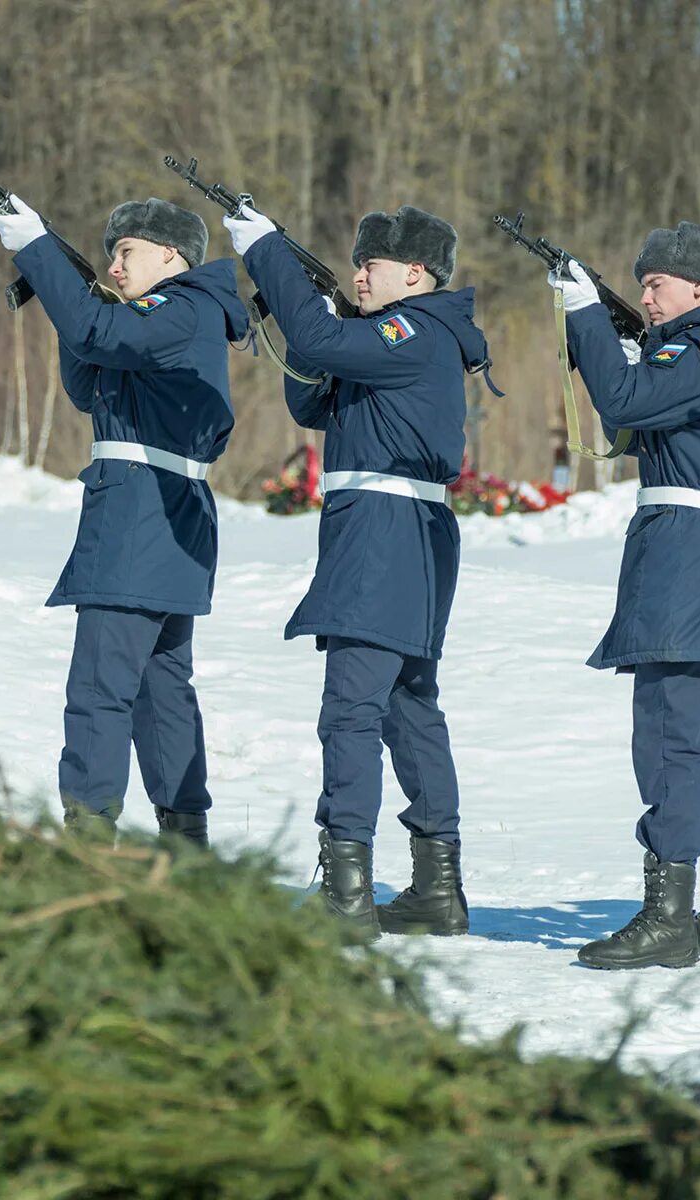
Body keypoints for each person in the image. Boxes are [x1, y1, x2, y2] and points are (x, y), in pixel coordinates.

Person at [225, 202, 490, 943]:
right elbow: (314, 394)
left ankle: (346, 890)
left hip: (385, 532)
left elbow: (318, 339)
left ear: (415, 273)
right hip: (394, 532)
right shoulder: (394, 336)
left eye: (368, 266)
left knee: (350, 708)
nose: (356, 275)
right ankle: (437, 888)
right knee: (408, 706)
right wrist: (315, 316)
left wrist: (269, 255)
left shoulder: (415, 328)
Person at [554, 222, 700, 970]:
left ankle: (668, 916)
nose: (647, 297)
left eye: (658, 284)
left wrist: (587, 316)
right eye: (642, 284)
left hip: (687, 546)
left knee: (668, 729)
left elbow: (622, 403)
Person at [0, 194, 247, 847]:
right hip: (162, 513)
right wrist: (74, 294)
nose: (115, 263)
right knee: (161, 690)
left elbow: (100, 336)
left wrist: (38, 252)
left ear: (170, 254)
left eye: (126, 251)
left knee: (101, 685)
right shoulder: (168, 320)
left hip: (139, 515)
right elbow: (90, 373)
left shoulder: (179, 306)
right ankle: (184, 843)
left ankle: (88, 838)